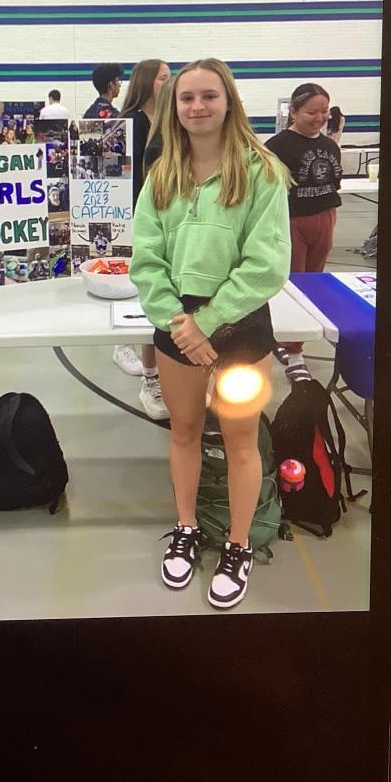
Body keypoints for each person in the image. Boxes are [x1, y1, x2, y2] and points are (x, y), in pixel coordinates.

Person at [130, 58, 291, 610]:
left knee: (240, 439)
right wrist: (180, 322)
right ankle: (186, 527)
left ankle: (238, 544)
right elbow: (146, 260)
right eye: (186, 98)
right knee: (184, 431)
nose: (197, 106)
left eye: (208, 96)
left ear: (229, 102)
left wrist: (207, 321)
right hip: (176, 325)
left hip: (240, 326)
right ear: (173, 108)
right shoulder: (162, 176)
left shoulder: (262, 172)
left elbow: (267, 264)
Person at [265, 83, 343, 380]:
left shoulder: (330, 146)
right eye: (312, 112)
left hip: (324, 217)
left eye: (324, 111)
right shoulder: (277, 146)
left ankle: (293, 341)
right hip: (291, 221)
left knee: (313, 284)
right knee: (292, 284)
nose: (319, 118)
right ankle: (293, 351)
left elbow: (333, 183)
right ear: (294, 112)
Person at [110, 59, 173, 412]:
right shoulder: (132, 122)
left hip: (164, 215)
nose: (170, 82)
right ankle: (125, 344)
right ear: (147, 82)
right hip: (135, 213)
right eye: (164, 77)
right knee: (137, 282)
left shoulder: (169, 119)